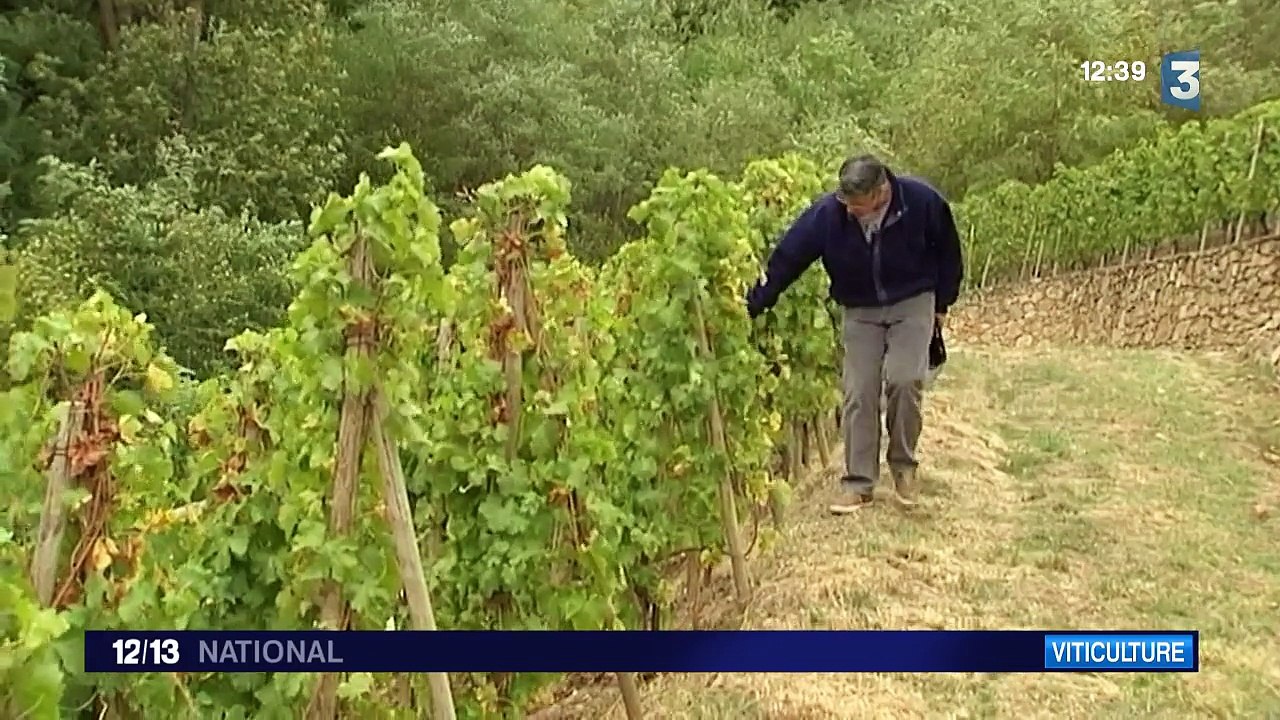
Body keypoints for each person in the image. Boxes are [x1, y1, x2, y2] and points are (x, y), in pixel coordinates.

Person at [746, 154, 963, 513]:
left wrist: (943, 303)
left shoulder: (922, 202)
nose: (849, 211)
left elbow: (949, 253)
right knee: (858, 391)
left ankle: (904, 467)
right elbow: (787, 260)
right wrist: (752, 304)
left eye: (857, 205)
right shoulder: (829, 214)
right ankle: (859, 483)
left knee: (904, 379)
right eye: (845, 202)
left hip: (913, 300)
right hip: (860, 309)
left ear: (881, 193)